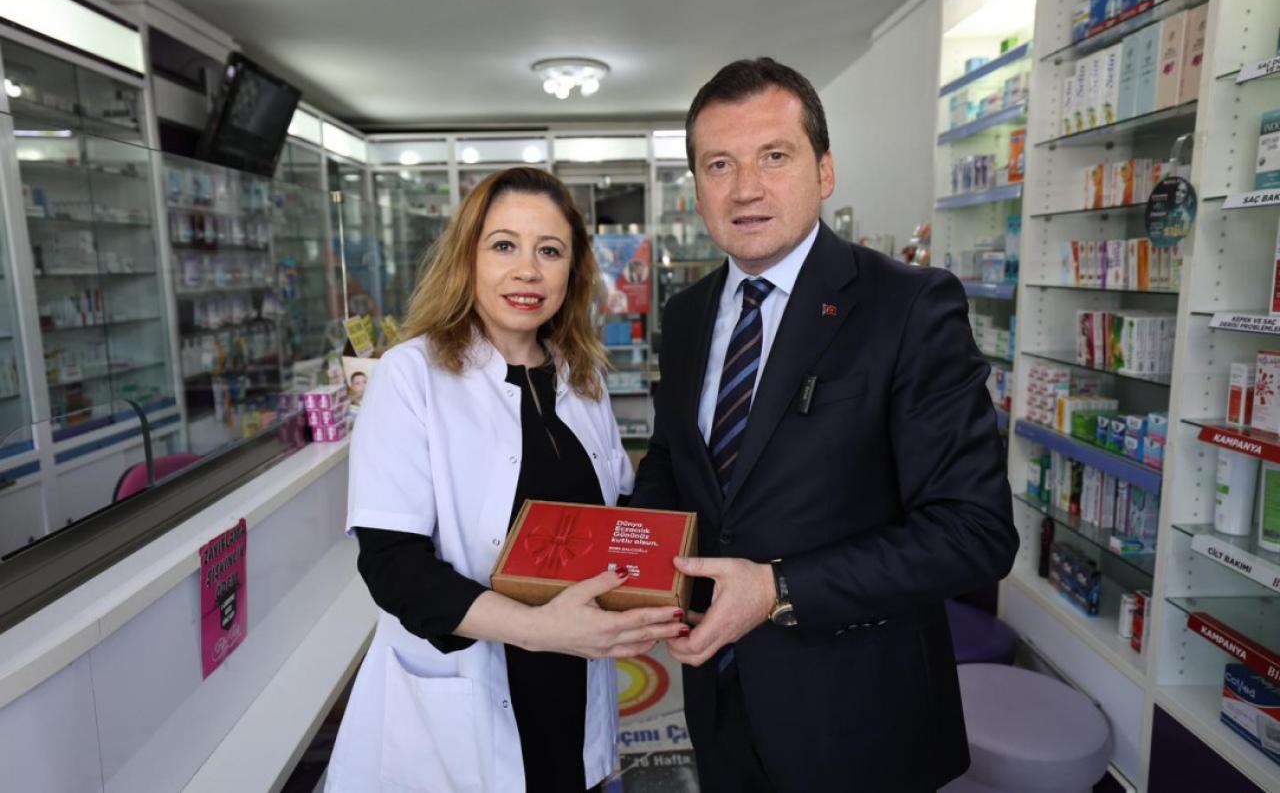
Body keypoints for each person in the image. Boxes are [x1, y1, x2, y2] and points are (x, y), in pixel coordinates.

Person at [630, 58, 1018, 793]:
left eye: (774, 156)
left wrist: (777, 588)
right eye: (720, 164)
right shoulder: (685, 316)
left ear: (825, 170)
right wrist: (634, 565)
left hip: (859, 715)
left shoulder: (908, 306)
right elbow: (675, 463)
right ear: (698, 187)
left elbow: (975, 531)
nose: (746, 188)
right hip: (719, 698)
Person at [326, 168, 687, 793]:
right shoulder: (411, 376)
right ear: (467, 257)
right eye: (503, 245)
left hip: (572, 690)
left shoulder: (582, 377)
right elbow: (392, 567)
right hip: (464, 708)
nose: (528, 271)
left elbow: (616, 517)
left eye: (549, 251)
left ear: (572, 271)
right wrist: (541, 629)